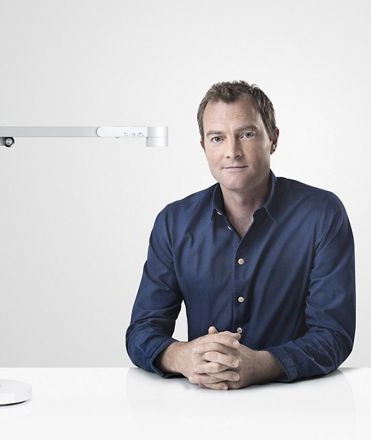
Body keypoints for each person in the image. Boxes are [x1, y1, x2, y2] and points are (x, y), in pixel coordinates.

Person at [125, 81, 355, 390]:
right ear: (204, 146)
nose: (232, 152)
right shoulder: (173, 222)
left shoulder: (321, 214)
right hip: (202, 403)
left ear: (273, 139)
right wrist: (184, 357)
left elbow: (334, 335)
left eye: (246, 134)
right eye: (217, 138)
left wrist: (261, 365)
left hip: (297, 404)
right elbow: (141, 331)